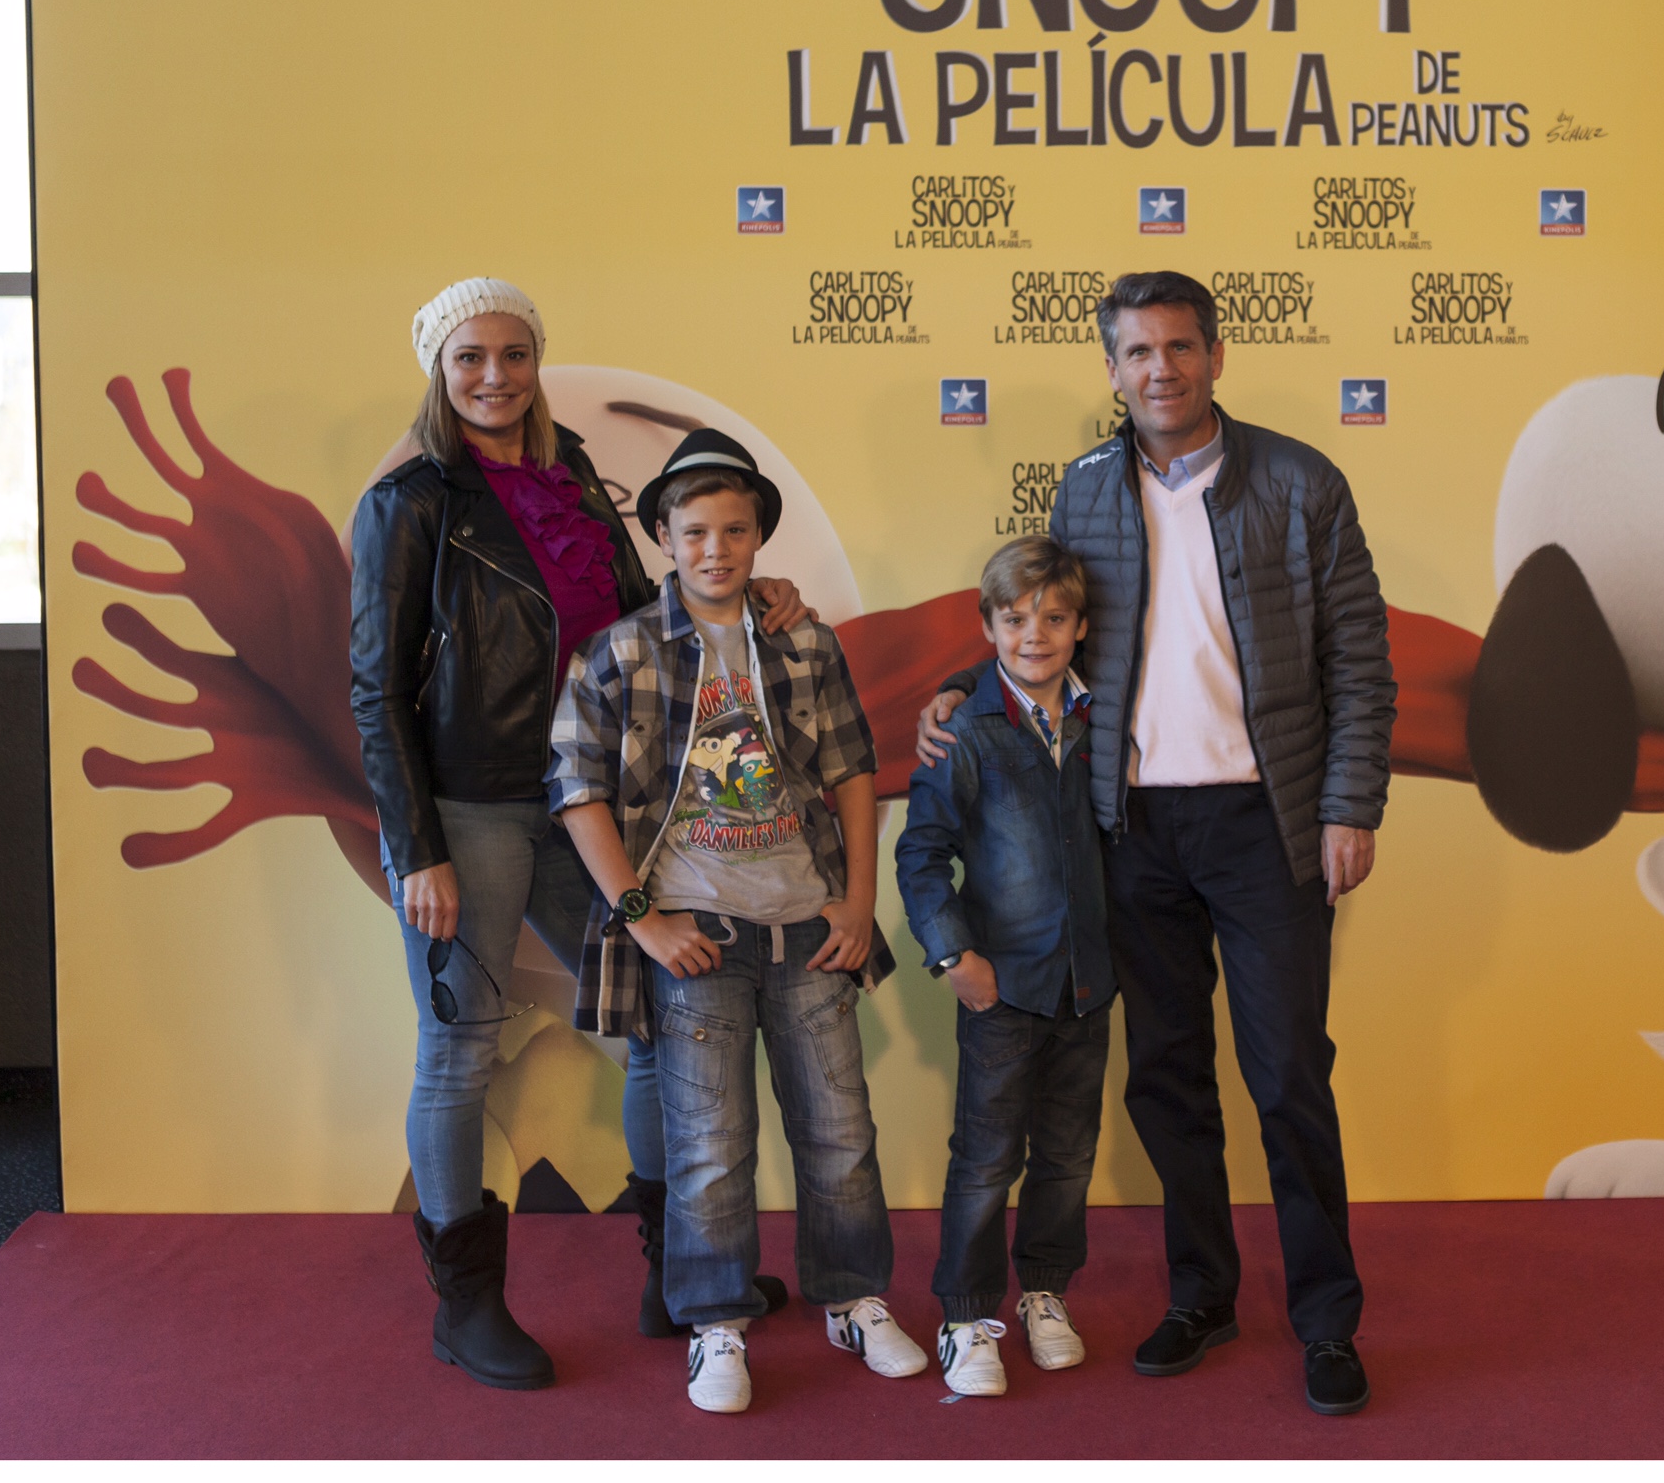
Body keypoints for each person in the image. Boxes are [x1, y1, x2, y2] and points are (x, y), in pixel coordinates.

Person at [918, 270, 1395, 1417]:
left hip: (1267, 825)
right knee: (1168, 1079)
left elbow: (1359, 657)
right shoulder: (1085, 489)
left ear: (1216, 356)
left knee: (1288, 1076)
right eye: (1137, 351)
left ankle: (1327, 1321)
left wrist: (1350, 805)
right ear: (1113, 369)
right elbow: (1046, 629)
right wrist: (962, 687)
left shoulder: (1301, 482)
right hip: (1130, 831)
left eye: (1179, 347)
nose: (1160, 369)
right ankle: (1202, 1295)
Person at [350, 278, 808, 1389]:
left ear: (536, 362)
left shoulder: (577, 483)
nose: (495, 375)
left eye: (514, 353)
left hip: (594, 800)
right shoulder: (411, 500)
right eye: (471, 357)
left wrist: (748, 597)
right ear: (440, 369)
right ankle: (465, 1307)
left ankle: (679, 1273)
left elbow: (648, 619)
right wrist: (417, 847)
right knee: (460, 1048)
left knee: (653, 1021)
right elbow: (377, 687)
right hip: (470, 808)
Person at [548, 429, 926, 1414]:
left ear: (759, 537)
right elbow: (578, 792)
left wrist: (857, 901)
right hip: (697, 938)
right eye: (695, 532)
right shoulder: (619, 651)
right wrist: (643, 919)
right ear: (664, 537)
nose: (715, 549)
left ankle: (853, 1298)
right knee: (711, 1146)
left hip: (807, 925)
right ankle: (716, 1323)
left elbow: (853, 769)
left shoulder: (803, 640)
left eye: (734, 531)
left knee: (839, 1132)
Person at [894, 536, 1115, 1398]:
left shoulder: (1103, 715)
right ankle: (966, 1314)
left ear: (1081, 626)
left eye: (1055, 619)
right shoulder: (965, 730)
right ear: (988, 626)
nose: (1035, 636)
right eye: (1016, 619)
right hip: (1002, 988)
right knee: (986, 1158)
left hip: (1087, 986)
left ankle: (1045, 1292)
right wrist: (955, 953)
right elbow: (921, 854)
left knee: (1067, 1154)